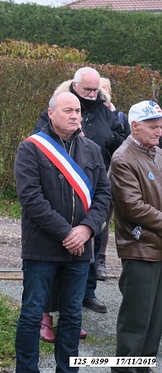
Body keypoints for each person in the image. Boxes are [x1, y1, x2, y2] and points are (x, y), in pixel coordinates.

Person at [15, 92, 110, 372]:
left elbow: (104, 195)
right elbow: (31, 197)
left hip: (80, 251)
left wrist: (86, 229)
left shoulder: (92, 149)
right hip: (41, 248)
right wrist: (67, 233)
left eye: (78, 111)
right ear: (51, 113)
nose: (75, 116)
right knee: (32, 314)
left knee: (72, 316)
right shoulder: (31, 148)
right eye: (68, 110)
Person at [34, 67, 126, 314]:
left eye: (95, 90)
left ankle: (87, 293)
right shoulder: (59, 105)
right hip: (61, 189)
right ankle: (51, 306)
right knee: (62, 244)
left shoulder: (105, 110)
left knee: (93, 241)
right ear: (74, 85)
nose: (92, 94)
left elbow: (120, 138)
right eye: (87, 89)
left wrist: (104, 142)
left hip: (97, 182)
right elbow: (40, 143)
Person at [109, 100, 162, 372]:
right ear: (135, 126)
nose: (159, 131)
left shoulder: (157, 154)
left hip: (158, 247)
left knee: (155, 321)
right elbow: (133, 207)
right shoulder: (122, 158)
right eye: (153, 126)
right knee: (136, 322)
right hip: (140, 248)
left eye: (160, 126)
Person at [95, 77, 131, 281]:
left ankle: (100, 260)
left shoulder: (120, 117)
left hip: (110, 175)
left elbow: (125, 146)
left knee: (105, 220)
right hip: (92, 174)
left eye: (105, 90)